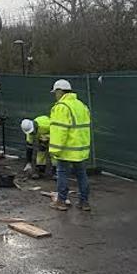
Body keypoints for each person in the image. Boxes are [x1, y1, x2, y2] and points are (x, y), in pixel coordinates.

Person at [47, 79, 92, 211]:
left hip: (66, 149)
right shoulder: (81, 105)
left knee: (62, 173)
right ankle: (84, 202)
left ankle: (61, 201)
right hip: (80, 149)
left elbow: (60, 130)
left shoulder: (61, 107)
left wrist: (54, 149)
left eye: (55, 93)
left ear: (60, 91)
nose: (55, 95)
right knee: (81, 174)